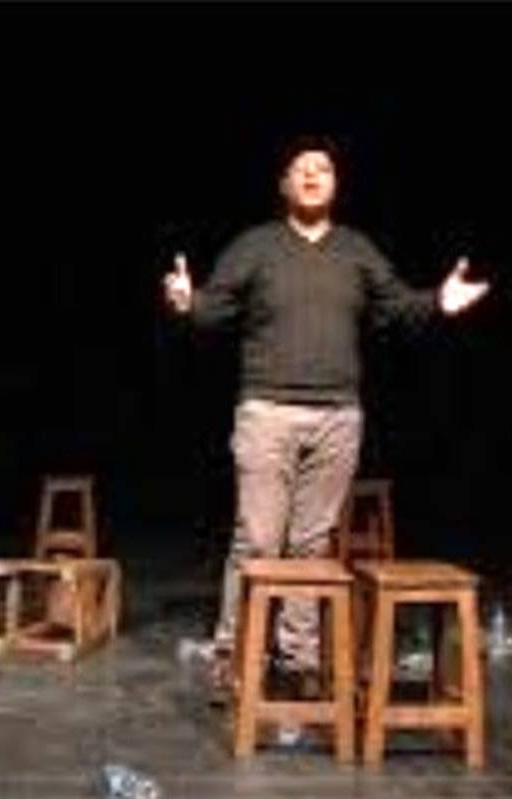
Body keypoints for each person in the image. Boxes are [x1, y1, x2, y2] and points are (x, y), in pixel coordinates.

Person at [161, 135, 490, 701]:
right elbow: (213, 310)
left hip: (338, 417)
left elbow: (398, 307)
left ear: (336, 184)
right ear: (284, 184)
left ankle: (299, 660)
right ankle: (234, 659)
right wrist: (189, 301)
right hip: (267, 411)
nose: (313, 174)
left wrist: (439, 300)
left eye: (324, 168)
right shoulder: (256, 245)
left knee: (312, 548)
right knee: (257, 541)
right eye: (302, 168)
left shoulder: (356, 250)